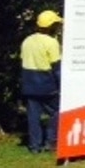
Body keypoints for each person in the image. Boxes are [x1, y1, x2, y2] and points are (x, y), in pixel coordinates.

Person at [20, 10, 63, 154]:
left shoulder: (27, 40)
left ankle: (34, 146)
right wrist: (61, 85)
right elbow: (56, 68)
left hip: (28, 83)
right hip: (46, 84)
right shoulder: (51, 43)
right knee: (57, 111)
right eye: (56, 24)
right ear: (51, 26)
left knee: (33, 116)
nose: (58, 26)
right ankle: (51, 142)